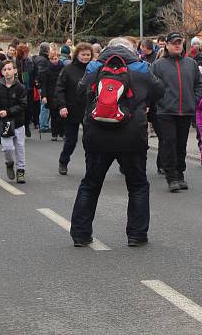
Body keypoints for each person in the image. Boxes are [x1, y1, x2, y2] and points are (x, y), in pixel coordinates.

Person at [69, 38, 164, 247]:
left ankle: (80, 234)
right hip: (131, 135)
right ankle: (137, 235)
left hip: (97, 134)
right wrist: (143, 103)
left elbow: (79, 91)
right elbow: (160, 90)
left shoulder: (94, 66)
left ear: (106, 49)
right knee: (137, 185)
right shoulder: (141, 68)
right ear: (131, 50)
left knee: (90, 184)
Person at [152, 32, 202, 192]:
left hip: (186, 111)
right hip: (166, 112)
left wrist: (194, 100)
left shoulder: (191, 63)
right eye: (174, 43)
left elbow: (199, 84)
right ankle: (171, 177)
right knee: (169, 142)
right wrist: (160, 102)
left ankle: (180, 174)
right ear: (167, 45)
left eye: (179, 43)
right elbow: (152, 86)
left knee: (181, 145)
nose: (177, 45)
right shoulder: (158, 65)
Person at [55, 42, 92, 175]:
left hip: (89, 110)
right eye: (83, 54)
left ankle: (91, 166)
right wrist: (62, 106)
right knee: (71, 140)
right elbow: (60, 89)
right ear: (77, 55)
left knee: (90, 140)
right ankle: (63, 161)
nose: (86, 57)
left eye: (88, 55)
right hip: (71, 109)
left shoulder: (93, 69)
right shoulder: (68, 69)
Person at [0, 60, 28, 183]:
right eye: (5, 69)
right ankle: (9, 163)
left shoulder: (20, 87)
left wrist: (9, 111)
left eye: (9, 69)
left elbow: (23, 104)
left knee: (19, 147)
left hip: (18, 122)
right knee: (7, 148)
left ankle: (21, 170)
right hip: (4, 123)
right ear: (1, 72)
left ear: (15, 70)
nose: (7, 71)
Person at [41, 47, 65, 142]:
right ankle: (54, 133)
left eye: (56, 58)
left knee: (62, 115)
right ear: (50, 59)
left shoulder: (63, 68)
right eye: (52, 59)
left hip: (61, 94)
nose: (54, 60)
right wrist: (44, 96)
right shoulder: (46, 70)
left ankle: (62, 133)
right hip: (51, 95)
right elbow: (44, 84)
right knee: (54, 115)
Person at [15, 44, 36, 137]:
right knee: (21, 109)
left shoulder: (30, 61)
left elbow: (33, 72)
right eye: (25, 52)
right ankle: (23, 127)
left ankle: (26, 125)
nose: (27, 54)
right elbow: (18, 74)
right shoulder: (17, 62)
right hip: (19, 88)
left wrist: (35, 81)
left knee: (29, 109)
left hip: (29, 87)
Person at [33, 41, 51, 133]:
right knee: (44, 105)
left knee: (43, 105)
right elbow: (42, 75)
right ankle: (43, 125)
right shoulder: (43, 60)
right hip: (42, 85)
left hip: (39, 85)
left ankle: (43, 124)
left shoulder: (38, 58)